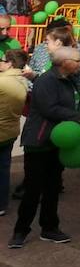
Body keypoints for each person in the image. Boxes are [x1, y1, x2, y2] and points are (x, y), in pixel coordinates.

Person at [8, 46, 80, 247]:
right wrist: (78, 117)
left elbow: (74, 103)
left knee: (52, 188)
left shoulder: (69, 81)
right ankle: (20, 231)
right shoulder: (47, 81)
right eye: (77, 60)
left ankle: (49, 227)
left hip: (58, 142)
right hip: (39, 142)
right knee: (33, 189)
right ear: (64, 62)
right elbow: (49, 108)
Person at [0, 49, 27, 216]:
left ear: (9, 63)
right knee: (3, 168)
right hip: (10, 130)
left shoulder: (2, 82)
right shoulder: (22, 80)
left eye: (3, 60)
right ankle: (2, 204)